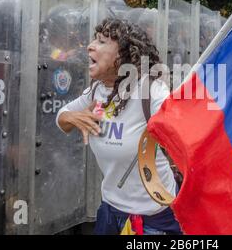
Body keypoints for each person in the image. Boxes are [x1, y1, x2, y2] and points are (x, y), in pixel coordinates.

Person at [56, 18, 181, 235]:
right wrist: (74, 118)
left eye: (102, 42)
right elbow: (61, 117)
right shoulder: (98, 90)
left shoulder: (151, 90)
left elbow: (184, 128)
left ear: (122, 56)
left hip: (154, 219)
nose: (90, 46)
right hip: (110, 212)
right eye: (94, 40)